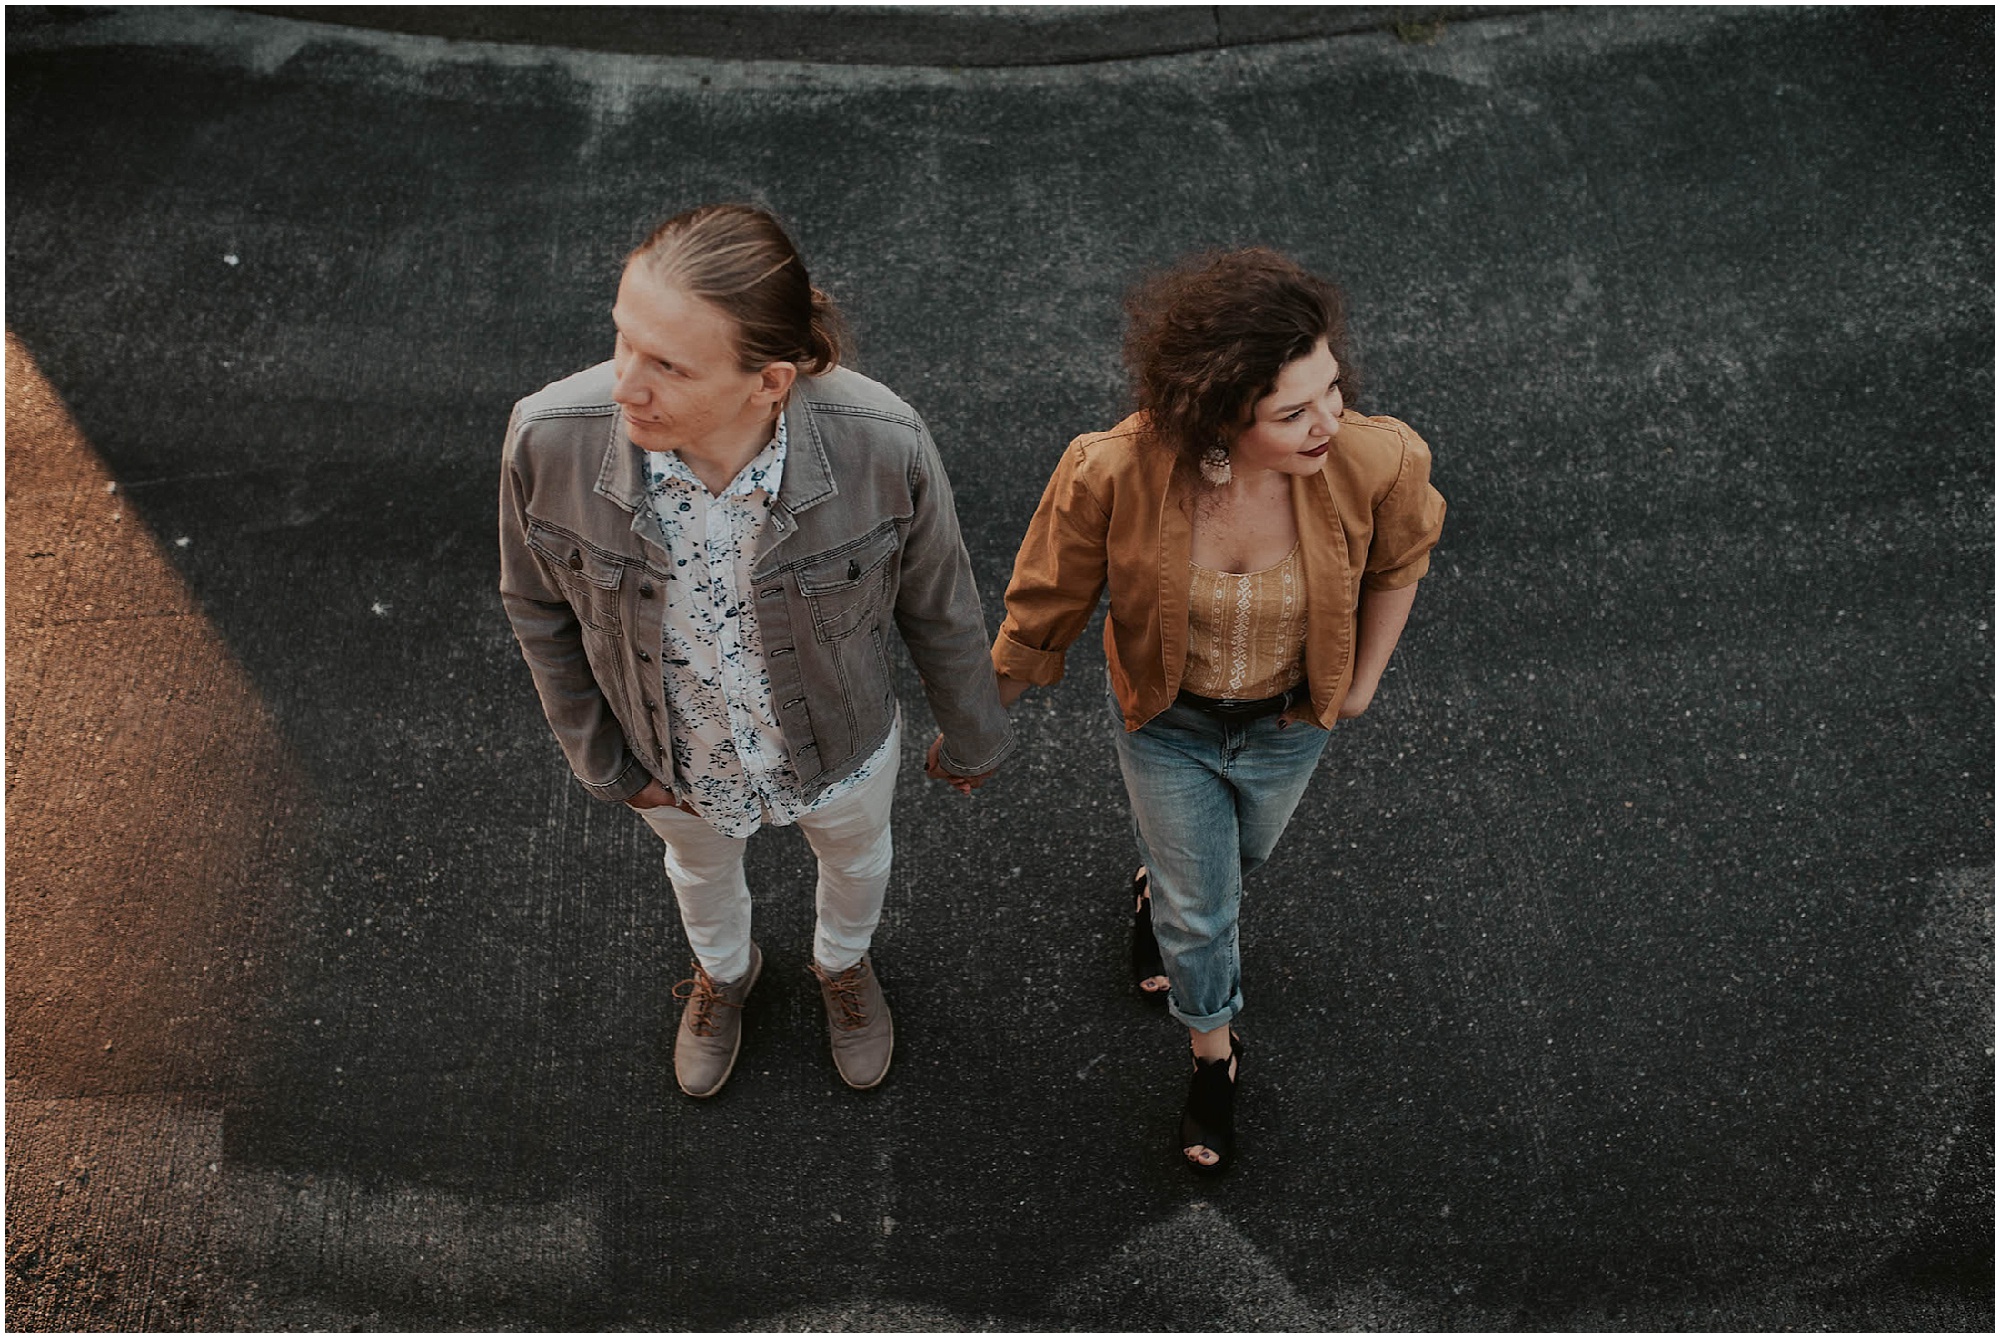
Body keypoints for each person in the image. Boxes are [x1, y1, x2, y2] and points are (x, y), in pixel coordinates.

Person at [501, 203, 1011, 1099]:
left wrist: (973, 739)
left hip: (842, 754)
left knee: (857, 863)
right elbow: (537, 610)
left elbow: (943, 605)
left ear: (769, 381)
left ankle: (841, 969)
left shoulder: (881, 441)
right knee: (697, 871)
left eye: (668, 365)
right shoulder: (547, 440)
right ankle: (724, 976)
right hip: (672, 761)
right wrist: (610, 766)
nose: (625, 386)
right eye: (624, 341)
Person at [965, 247, 1444, 1172]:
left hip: (1287, 724)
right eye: (1293, 412)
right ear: (1218, 410)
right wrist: (980, 726)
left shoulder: (1374, 458)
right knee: (1203, 912)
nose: (1328, 422)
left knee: (1241, 856)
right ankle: (1212, 1058)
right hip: (1167, 724)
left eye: (1332, 390)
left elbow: (1401, 560)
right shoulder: (1113, 471)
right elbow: (1043, 610)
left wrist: (1365, 681)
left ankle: (1158, 880)